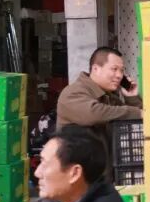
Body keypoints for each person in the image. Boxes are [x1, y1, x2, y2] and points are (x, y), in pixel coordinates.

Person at [57, 46, 142, 176]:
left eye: (122, 70)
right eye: (114, 69)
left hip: (101, 175)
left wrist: (131, 97)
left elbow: (140, 119)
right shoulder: (73, 92)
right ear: (96, 69)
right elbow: (93, 114)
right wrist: (135, 112)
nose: (119, 75)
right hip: (77, 177)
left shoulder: (109, 98)